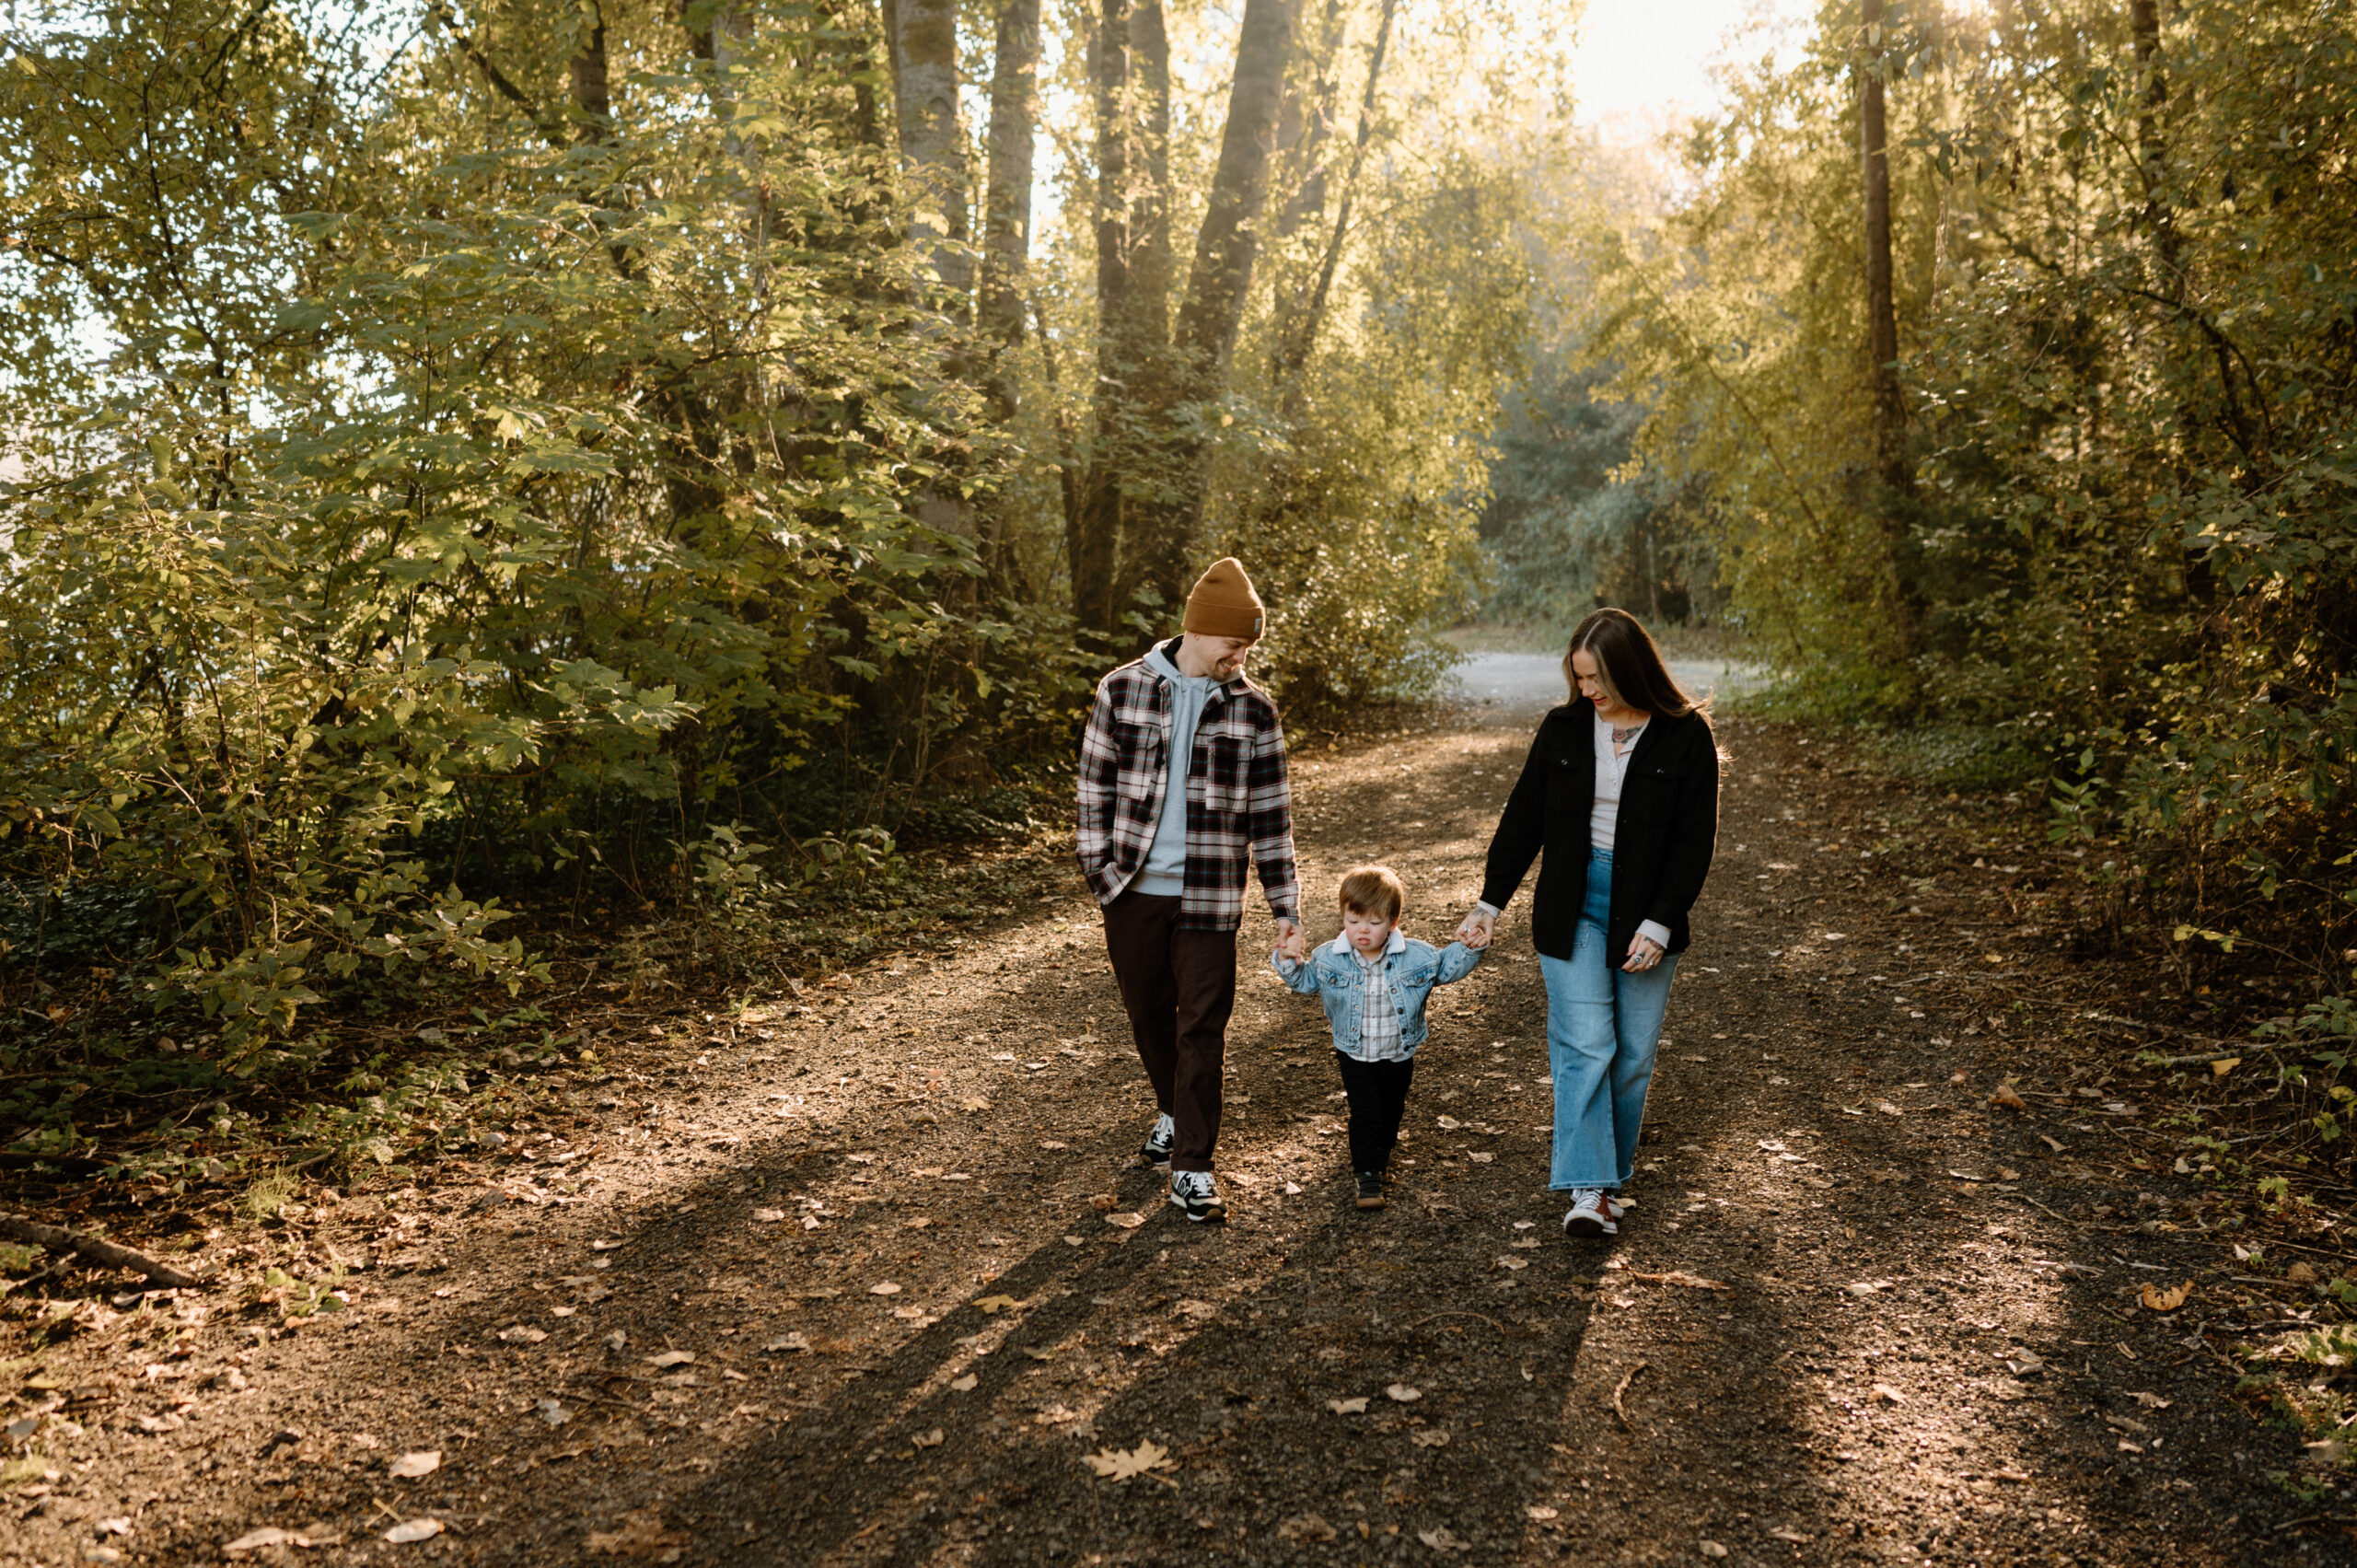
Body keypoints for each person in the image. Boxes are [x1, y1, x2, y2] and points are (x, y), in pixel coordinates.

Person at [1457, 608, 1718, 1237]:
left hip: (1647, 909)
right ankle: (1591, 1188)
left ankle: (1607, 1175)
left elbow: (1694, 840)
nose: (1588, 691)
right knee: (1586, 1045)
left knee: (1631, 1056)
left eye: (1598, 678)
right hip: (1571, 903)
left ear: (1632, 671)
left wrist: (1660, 921)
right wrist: (1489, 904)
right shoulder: (1563, 728)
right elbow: (1523, 819)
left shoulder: (1686, 736)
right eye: (1579, 678)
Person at [1075, 558, 1304, 1224]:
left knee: (1202, 1024)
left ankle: (1194, 1168)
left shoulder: (1254, 710)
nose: (1241, 656)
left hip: (1209, 896)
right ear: (1199, 631)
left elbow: (1272, 815)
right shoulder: (1122, 690)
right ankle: (1173, 1110)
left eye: (1248, 647)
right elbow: (1092, 793)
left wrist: (1285, 909)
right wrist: (1103, 877)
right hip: (1132, 892)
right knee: (1150, 1015)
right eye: (1234, 642)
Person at [1271, 865, 1482, 1210]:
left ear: (1393, 922)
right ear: (1343, 917)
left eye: (1374, 922)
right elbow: (1305, 981)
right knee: (1366, 1111)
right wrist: (1288, 958)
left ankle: (1380, 1151)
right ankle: (1367, 1173)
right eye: (1354, 921)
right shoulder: (1329, 957)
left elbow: (1445, 965)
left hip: (1399, 1052)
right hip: (1354, 1052)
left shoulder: (1414, 956)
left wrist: (1470, 948)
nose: (1363, 931)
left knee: (1391, 1109)